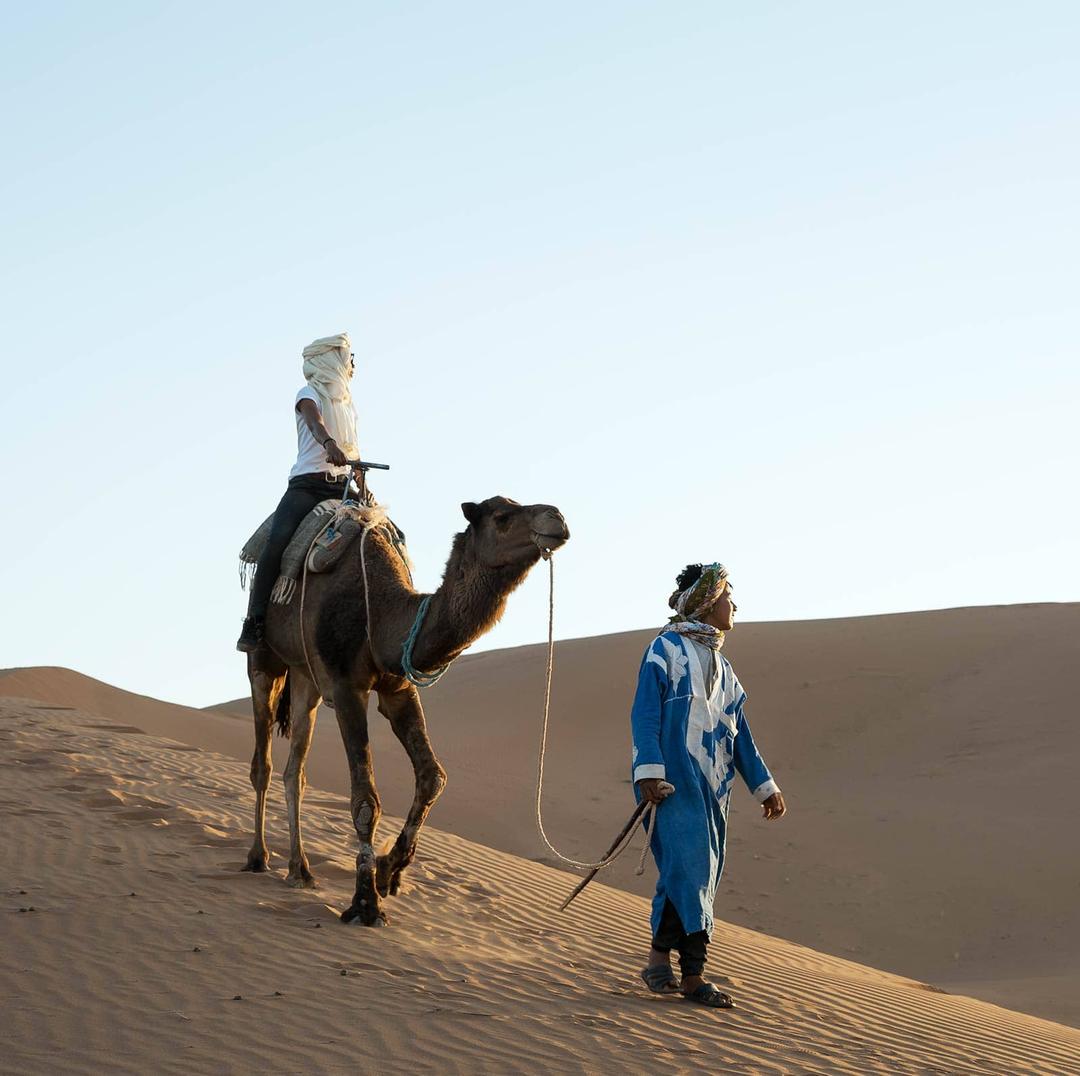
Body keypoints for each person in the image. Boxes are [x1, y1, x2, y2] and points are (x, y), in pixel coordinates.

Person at [631, 562, 786, 1008]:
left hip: (713, 791)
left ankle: (658, 963)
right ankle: (694, 976)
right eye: (727, 597)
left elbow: (742, 737)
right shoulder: (665, 650)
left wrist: (764, 786)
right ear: (706, 602)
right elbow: (645, 714)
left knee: (689, 874)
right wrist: (650, 772)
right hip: (671, 784)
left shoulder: (725, 668)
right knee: (693, 869)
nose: (733, 605)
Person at [236, 333, 362, 653]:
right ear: (330, 360)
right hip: (307, 486)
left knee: (384, 535)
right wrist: (329, 444)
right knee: (277, 541)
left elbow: (354, 452)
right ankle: (255, 621)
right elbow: (315, 423)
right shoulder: (308, 394)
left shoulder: (347, 407)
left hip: (343, 487)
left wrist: (362, 479)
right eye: (348, 356)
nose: (352, 363)